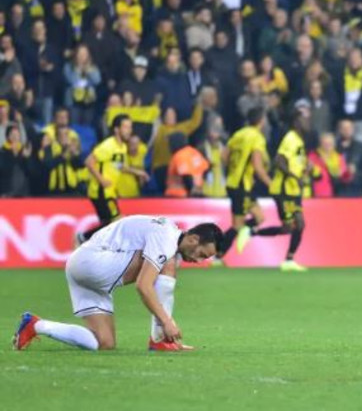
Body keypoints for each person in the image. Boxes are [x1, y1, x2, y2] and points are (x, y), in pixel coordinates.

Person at [13, 216, 223, 352]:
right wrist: (167, 321)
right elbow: (143, 286)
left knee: (104, 343)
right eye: (201, 254)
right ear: (193, 239)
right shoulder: (166, 238)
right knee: (167, 262)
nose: (198, 260)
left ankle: (35, 325)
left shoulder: (166, 230)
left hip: (80, 266)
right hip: (93, 262)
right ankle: (160, 339)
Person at [252, 106, 311, 272]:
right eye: (304, 119)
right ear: (296, 122)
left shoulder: (299, 140)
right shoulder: (291, 138)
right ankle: (289, 260)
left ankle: (253, 233)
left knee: (290, 228)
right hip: (284, 190)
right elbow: (279, 160)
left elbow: (294, 163)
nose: (308, 122)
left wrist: (305, 169)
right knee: (298, 224)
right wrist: (294, 177)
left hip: (293, 191)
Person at [76, 115, 149, 243]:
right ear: (116, 129)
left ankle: (86, 240)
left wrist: (138, 172)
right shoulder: (108, 145)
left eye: (130, 127)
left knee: (108, 224)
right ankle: (84, 237)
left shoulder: (122, 147)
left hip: (109, 191)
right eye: (126, 127)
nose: (129, 130)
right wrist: (102, 180)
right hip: (101, 191)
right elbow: (89, 162)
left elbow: (120, 166)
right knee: (116, 222)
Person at [214, 106, 271, 263]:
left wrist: (234, 169)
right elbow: (258, 166)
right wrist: (271, 184)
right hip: (241, 186)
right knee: (237, 225)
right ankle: (217, 255)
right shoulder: (257, 137)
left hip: (236, 183)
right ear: (261, 121)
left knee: (260, 217)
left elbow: (224, 156)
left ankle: (246, 231)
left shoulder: (238, 134)